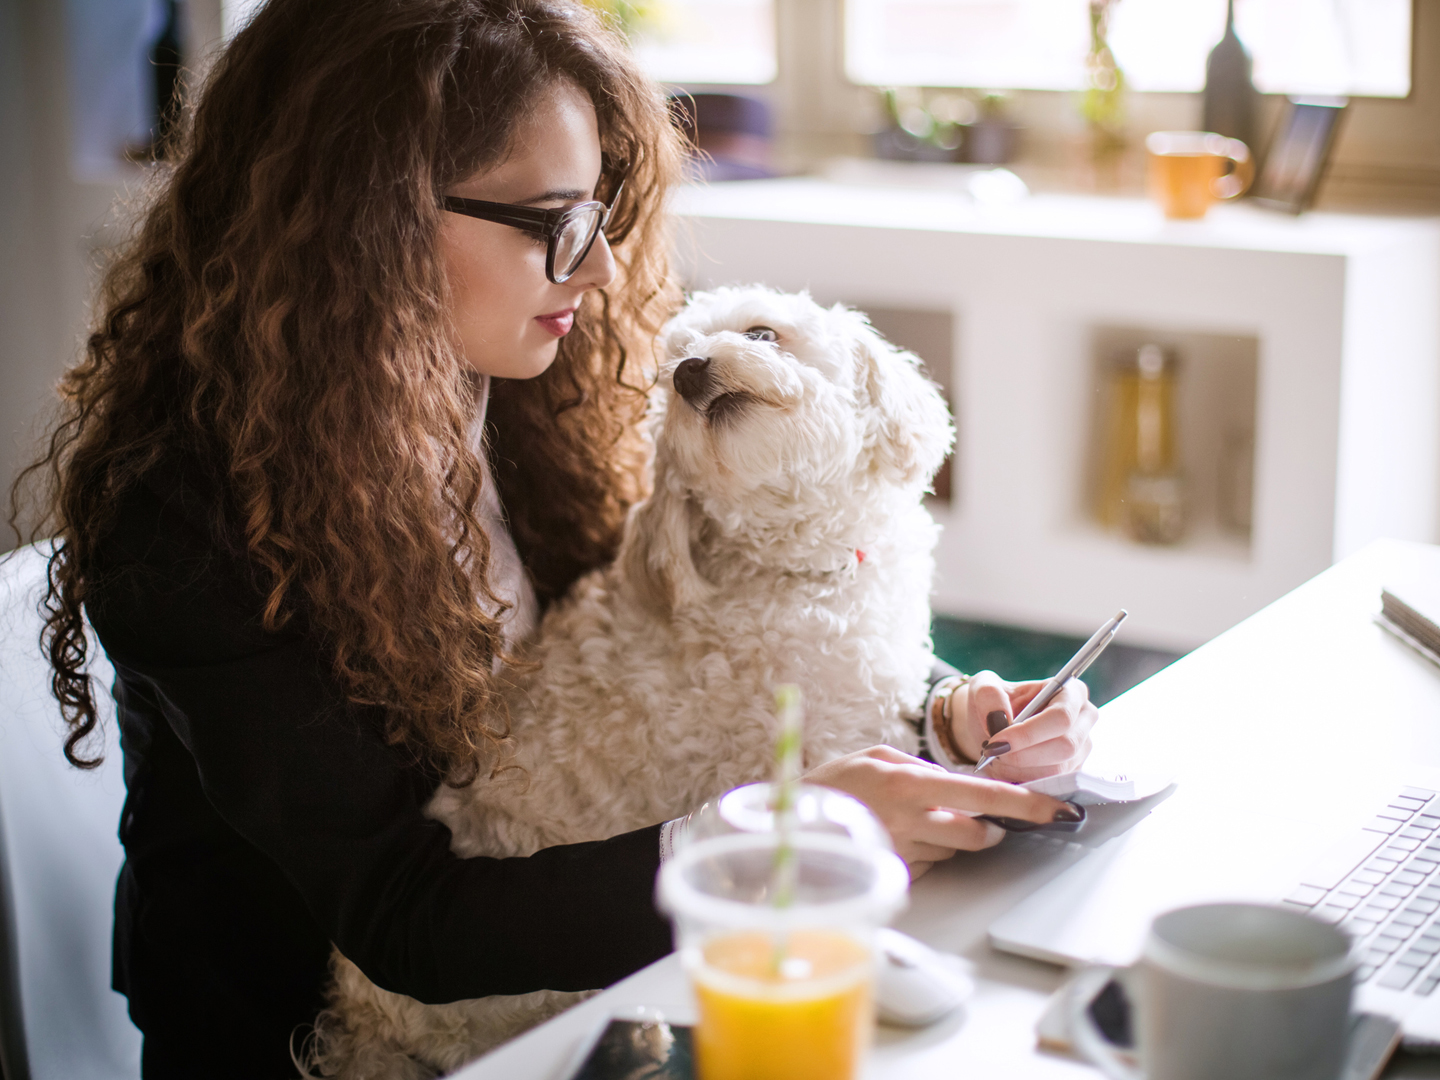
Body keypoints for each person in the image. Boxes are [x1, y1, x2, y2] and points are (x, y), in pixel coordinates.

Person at [9, 0, 1097, 1075]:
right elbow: (410, 918)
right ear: (365, 220)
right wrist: (772, 838)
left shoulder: (530, 384)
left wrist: (945, 712)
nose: (604, 272)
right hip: (306, 1041)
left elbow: (716, 608)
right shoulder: (183, 518)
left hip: (569, 1002)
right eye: (553, 224)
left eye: (600, 215)